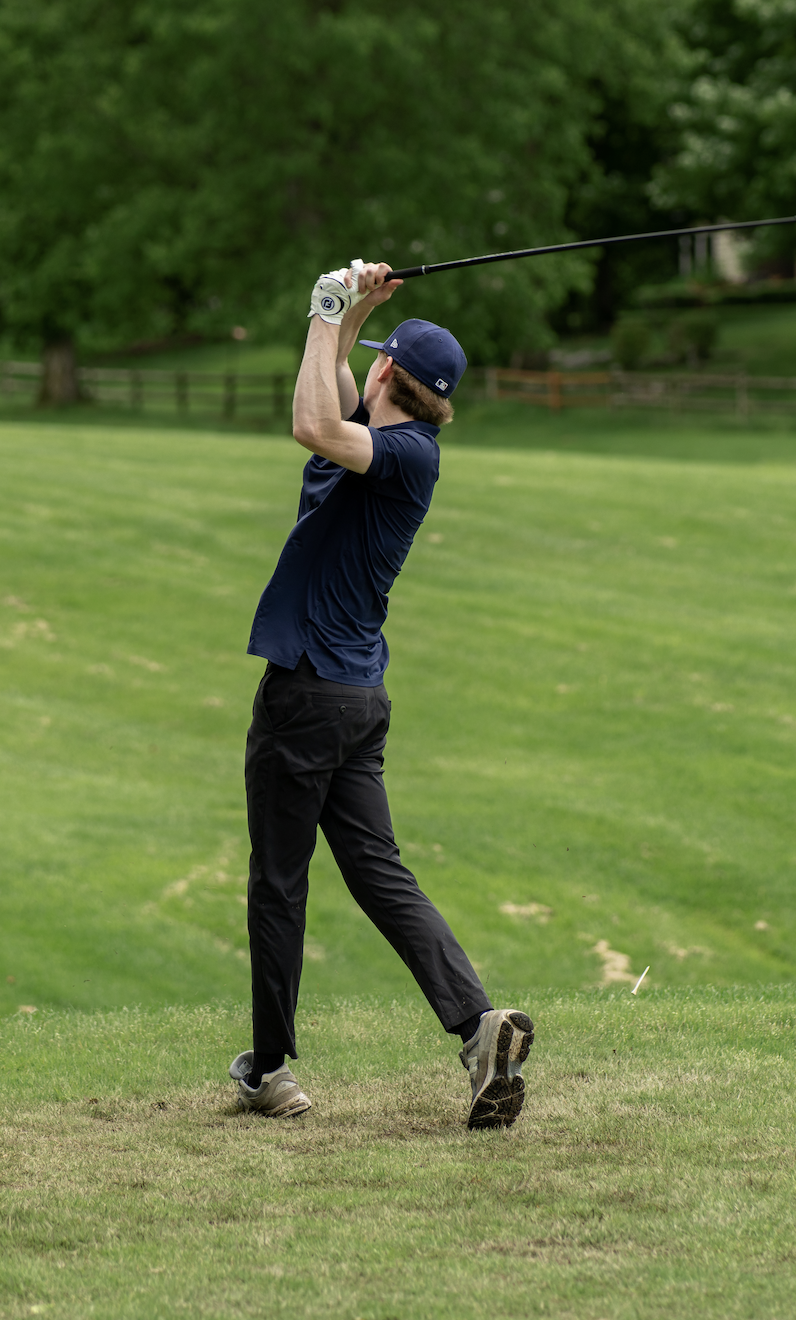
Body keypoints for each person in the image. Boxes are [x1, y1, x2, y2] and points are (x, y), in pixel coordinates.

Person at [227, 258, 533, 1129]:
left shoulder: (399, 454)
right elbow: (334, 393)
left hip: (307, 700)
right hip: (356, 702)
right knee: (376, 872)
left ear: (390, 376)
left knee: (280, 883)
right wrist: (351, 313)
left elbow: (310, 421)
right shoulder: (389, 437)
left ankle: (271, 1070)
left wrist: (325, 307)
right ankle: (478, 1027)